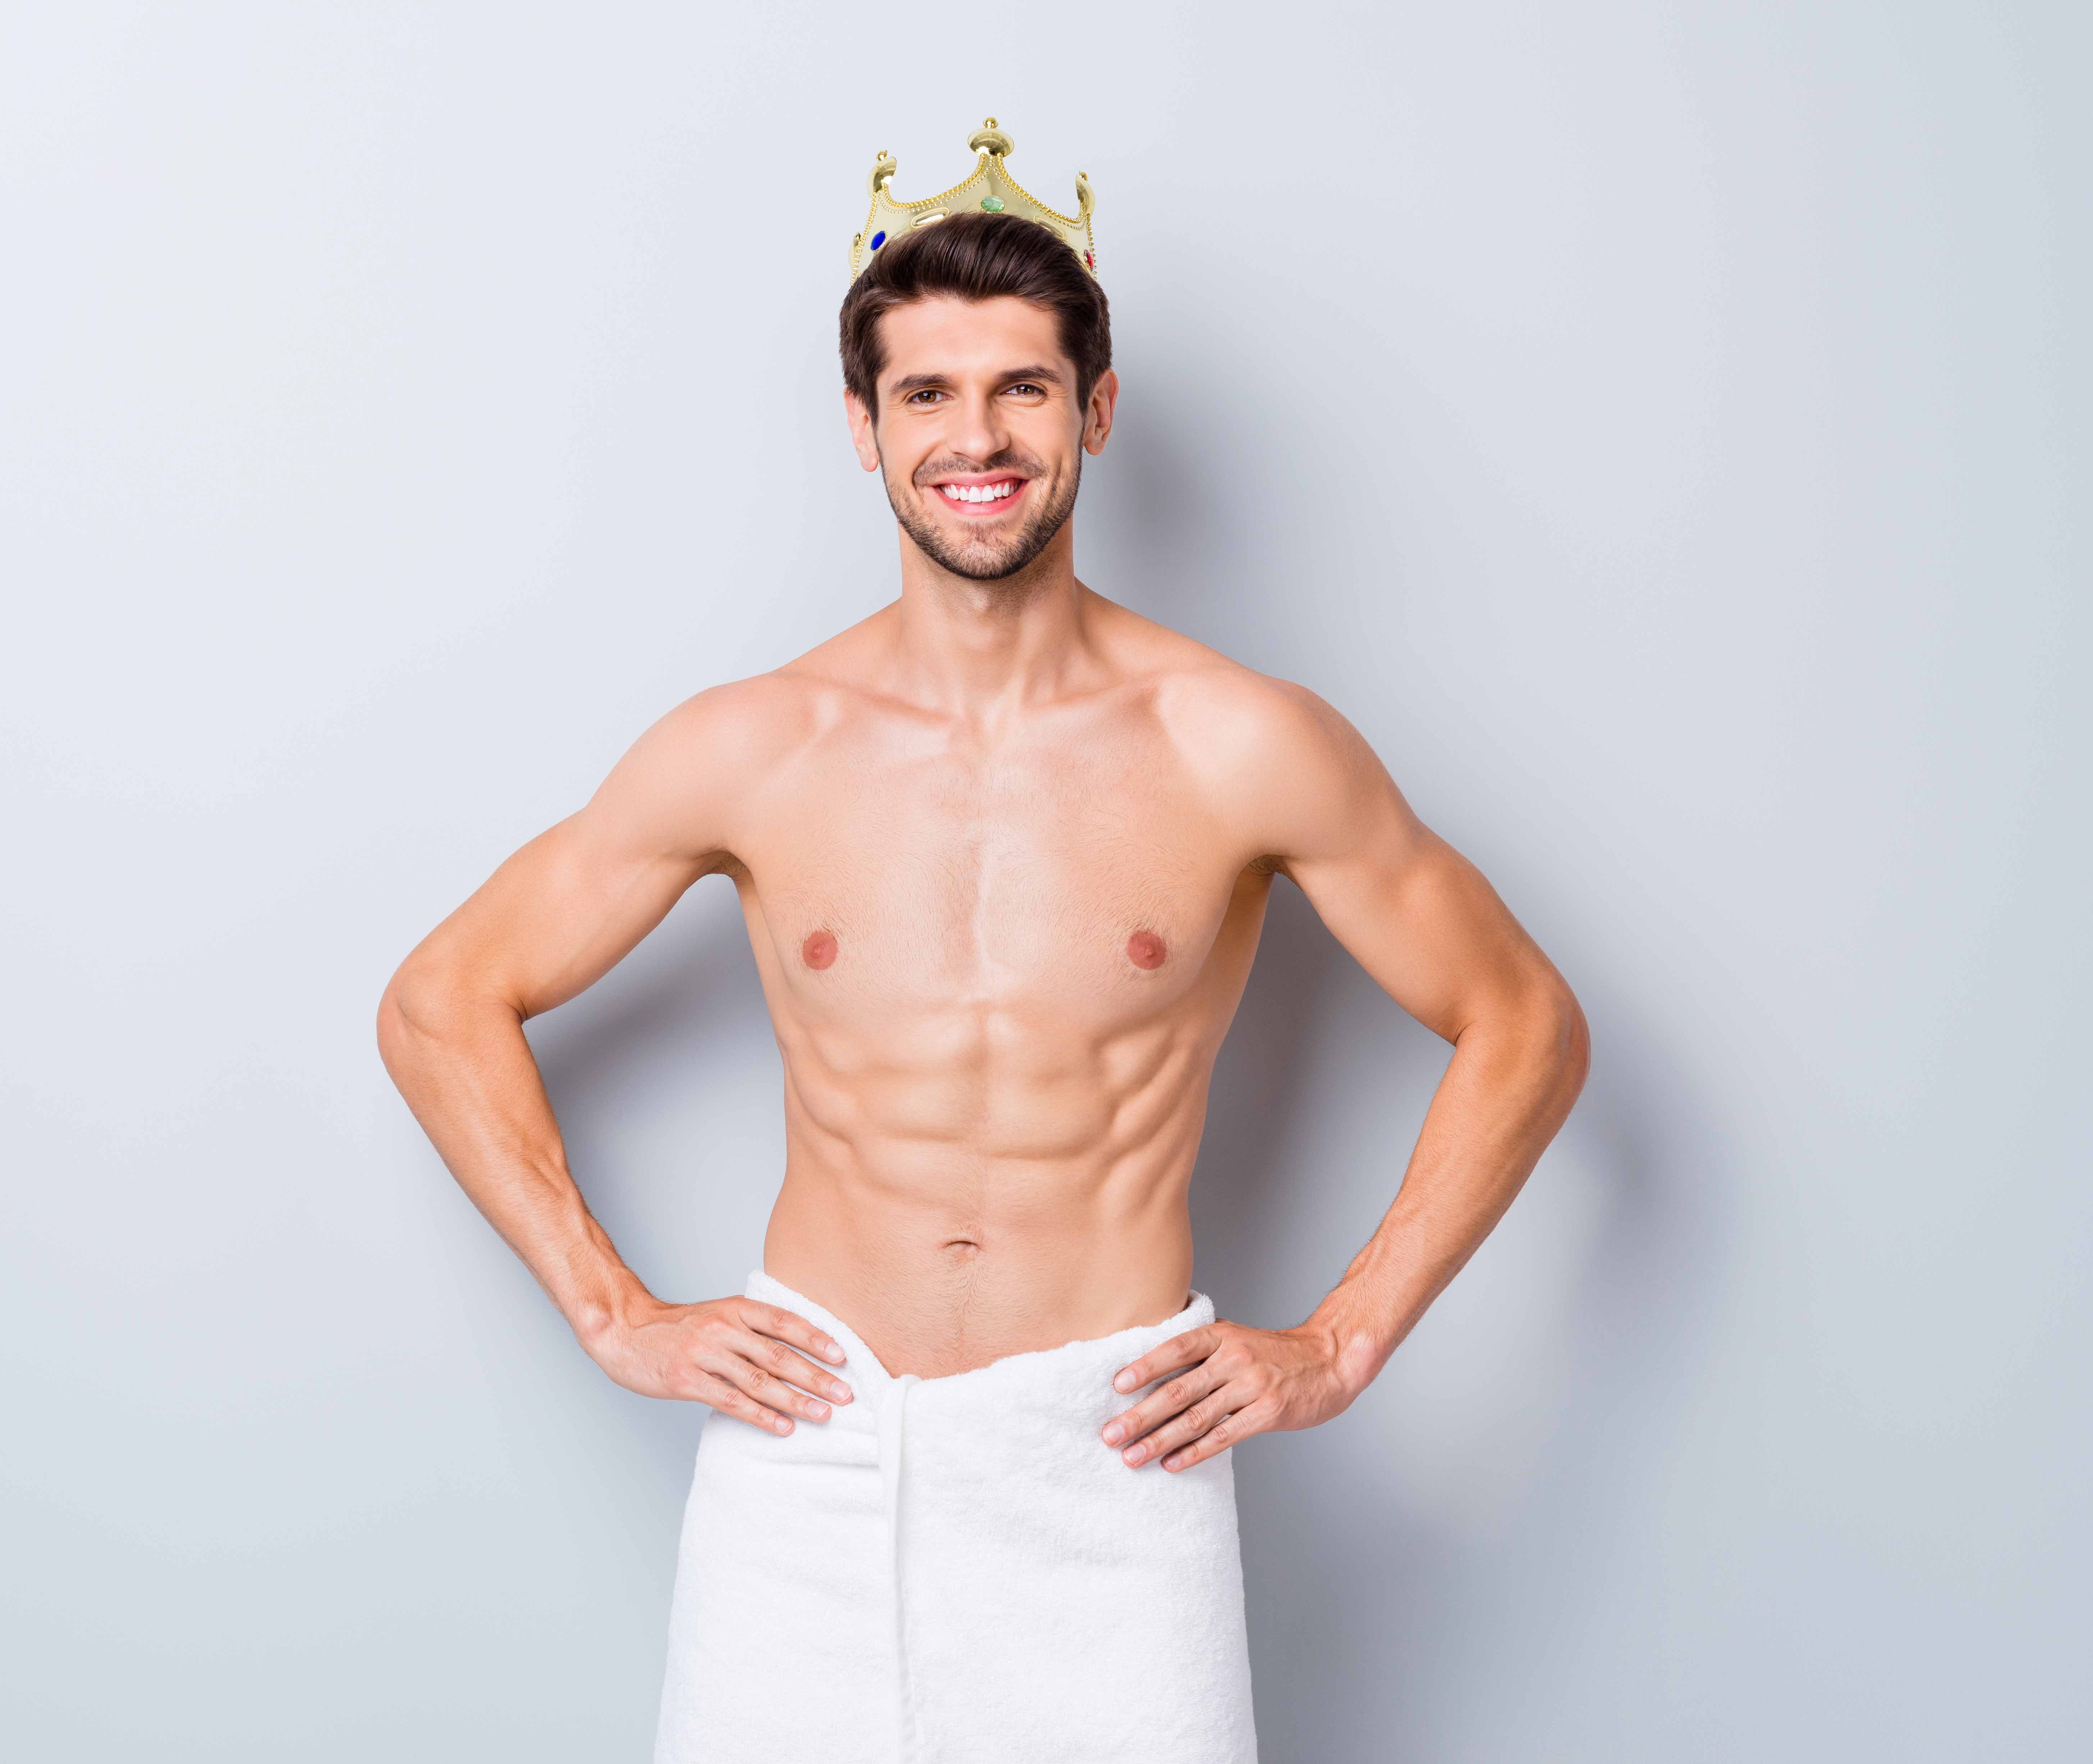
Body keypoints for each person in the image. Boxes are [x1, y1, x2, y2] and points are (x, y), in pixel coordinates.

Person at [380, 178, 1588, 1764]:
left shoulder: (1237, 743)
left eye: (1022, 387)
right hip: (811, 1458)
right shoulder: (757, 746)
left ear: (1094, 410)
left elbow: (1523, 1019)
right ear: (863, 425)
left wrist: (1342, 1340)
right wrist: (615, 1315)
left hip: (1114, 1459)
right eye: (927, 394)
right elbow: (440, 1002)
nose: (978, 438)